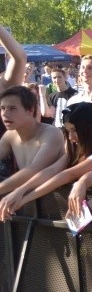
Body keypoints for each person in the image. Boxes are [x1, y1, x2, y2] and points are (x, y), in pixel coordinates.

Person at [0, 102, 92, 220]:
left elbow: (69, 174)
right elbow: (52, 171)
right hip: (84, 212)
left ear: (89, 128)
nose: (70, 137)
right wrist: (21, 191)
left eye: (75, 130)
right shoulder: (75, 148)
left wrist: (23, 199)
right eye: (68, 131)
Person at [0, 86, 65, 215]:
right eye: (2, 108)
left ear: (30, 110)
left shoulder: (51, 133)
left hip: (58, 205)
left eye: (12, 109)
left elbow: (34, 171)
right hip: (28, 204)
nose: (5, 114)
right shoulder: (10, 135)